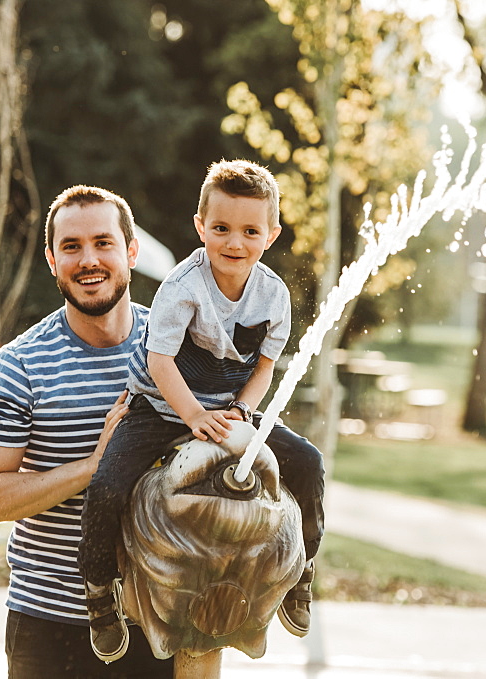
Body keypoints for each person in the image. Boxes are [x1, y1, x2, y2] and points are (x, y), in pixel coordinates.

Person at [78, 159, 325, 663]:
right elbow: (160, 360)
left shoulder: (274, 295)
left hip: (231, 407)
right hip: (164, 405)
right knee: (106, 486)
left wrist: (242, 413)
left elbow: (265, 368)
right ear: (201, 227)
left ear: (271, 234)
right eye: (221, 229)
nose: (235, 242)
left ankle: (302, 570)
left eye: (250, 231)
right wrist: (192, 416)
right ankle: (100, 590)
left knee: (308, 463)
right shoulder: (182, 286)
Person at [0, 185, 175, 678]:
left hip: (163, 620)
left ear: (132, 251)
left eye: (103, 242)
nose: (89, 260)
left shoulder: (179, 353)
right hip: (50, 629)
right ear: (52, 260)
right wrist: (94, 467)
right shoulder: (19, 367)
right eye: (71, 247)